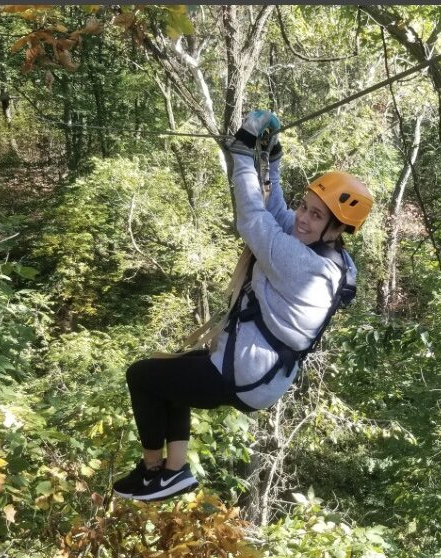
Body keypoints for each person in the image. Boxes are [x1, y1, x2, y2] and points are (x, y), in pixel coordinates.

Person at [113, 109, 373, 502]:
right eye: (306, 206)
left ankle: (154, 471)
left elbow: (253, 218)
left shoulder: (304, 267)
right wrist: (273, 162)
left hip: (243, 373)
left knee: (142, 377)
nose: (303, 218)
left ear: (337, 228)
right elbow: (279, 214)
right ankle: (174, 471)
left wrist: (242, 152)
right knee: (170, 378)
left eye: (316, 215)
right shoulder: (333, 258)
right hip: (261, 375)